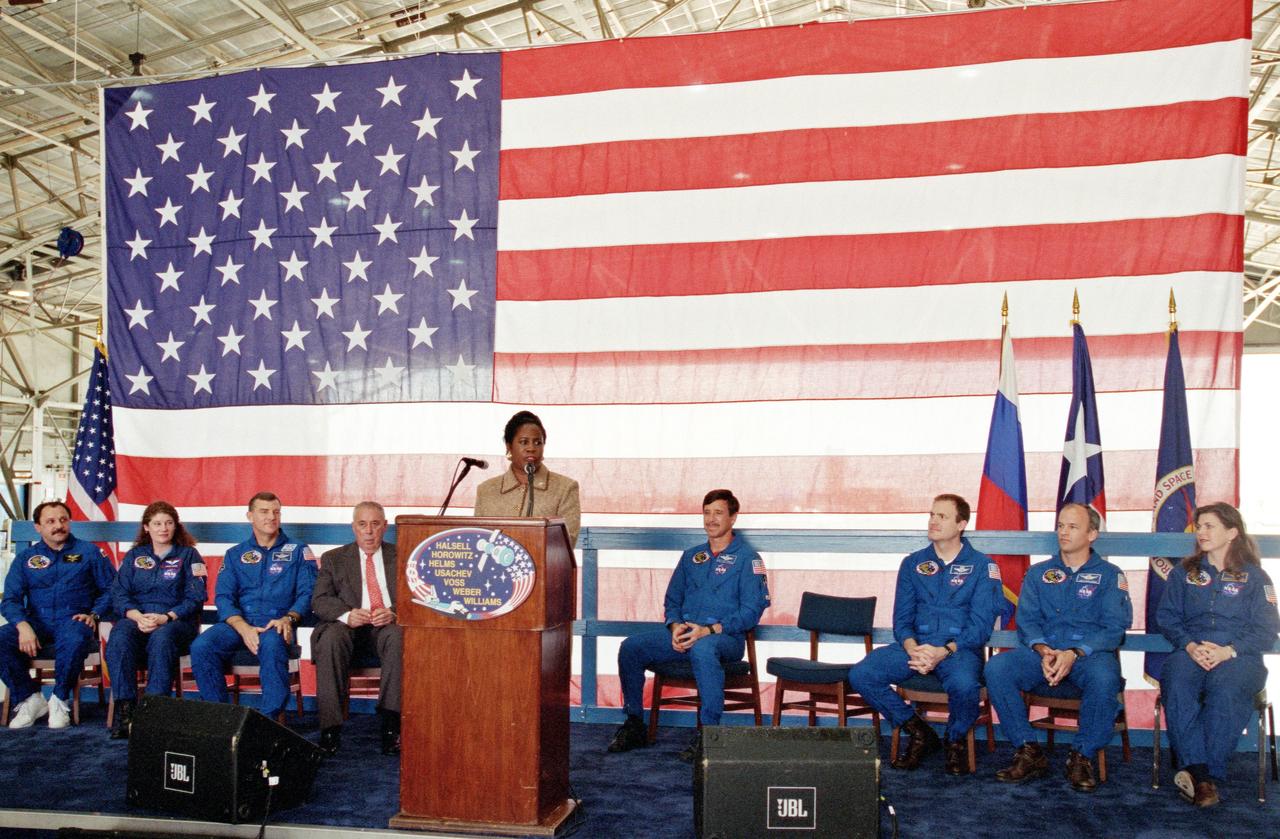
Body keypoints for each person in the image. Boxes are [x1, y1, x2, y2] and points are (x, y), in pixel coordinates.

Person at [607, 489, 770, 762]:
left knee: (703, 650)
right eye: (706, 513)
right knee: (631, 647)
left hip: (724, 638)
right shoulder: (692, 556)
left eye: (718, 513)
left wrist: (709, 630)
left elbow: (752, 611)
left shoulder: (749, 559)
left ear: (733, 518)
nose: (711, 519)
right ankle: (634, 722)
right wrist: (674, 627)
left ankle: (709, 734)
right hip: (684, 635)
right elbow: (672, 600)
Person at [847, 494, 1001, 775]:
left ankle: (955, 741)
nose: (933, 521)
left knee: (965, 686)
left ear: (961, 524)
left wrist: (944, 651)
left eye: (942, 516)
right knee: (862, 674)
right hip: (915, 649)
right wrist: (912, 648)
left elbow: (980, 626)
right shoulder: (913, 563)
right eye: (931, 514)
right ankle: (918, 731)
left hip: (958, 651)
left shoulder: (982, 567)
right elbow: (901, 619)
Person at [984, 502, 1132, 792]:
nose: (1063, 532)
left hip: (1088, 656)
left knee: (1105, 678)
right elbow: (1027, 621)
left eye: (1073, 527)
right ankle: (1028, 750)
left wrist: (1075, 653)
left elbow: (1114, 629)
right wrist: (1043, 650)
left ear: (1092, 534)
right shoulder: (1039, 573)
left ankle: (1082, 755)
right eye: (1060, 525)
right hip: (1044, 654)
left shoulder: (1111, 575)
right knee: (997, 668)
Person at [1156, 502, 1280, 807]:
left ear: (1232, 532)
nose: (1201, 531)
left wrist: (1228, 651)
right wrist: (1190, 646)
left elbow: (1266, 628)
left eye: (1210, 526)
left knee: (1225, 688)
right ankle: (1202, 775)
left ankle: (1204, 773)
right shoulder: (1183, 573)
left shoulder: (1256, 577)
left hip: (1239, 656)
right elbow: (1167, 617)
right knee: (1177, 678)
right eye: (1199, 526)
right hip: (1191, 650)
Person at [191, 492, 316, 721]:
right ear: (250, 516)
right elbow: (223, 597)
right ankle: (221, 718)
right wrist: (242, 627)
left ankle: (267, 721)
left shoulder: (299, 552)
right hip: (238, 623)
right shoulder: (235, 554)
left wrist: (289, 618)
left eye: (276, 512)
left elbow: (308, 593)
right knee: (202, 646)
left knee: (270, 644)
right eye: (264, 511)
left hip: (276, 623)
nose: (271, 517)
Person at [1, 500, 115, 730]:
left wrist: (94, 614)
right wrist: (22, 625)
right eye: (50, 521)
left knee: (74, 638)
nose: (58, 526)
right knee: (1, 639)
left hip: (74, 620)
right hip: (36, 623)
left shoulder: (90, 552)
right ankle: (30, 698)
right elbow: (11, 599)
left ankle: (59, 700)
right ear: (38, 527)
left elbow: (112, 590)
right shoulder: (26, 559)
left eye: (63, 520)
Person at [104, 501, 207, 739]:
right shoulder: (135, 556)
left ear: (176, 526)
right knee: (119, 636)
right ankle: (126, 711)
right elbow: (118, 594)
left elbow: (196, 596)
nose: (163, 528)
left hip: (175, 621)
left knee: (162, 639)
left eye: (169, 523)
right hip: (137, 619)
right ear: (146, 527)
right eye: (158, 523)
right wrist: (136, 616)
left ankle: (153, 712)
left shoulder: (189, 555)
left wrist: (166, 617)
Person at [311, 501, 402, 756]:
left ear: (385, 527)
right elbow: (320, 600)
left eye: (375, 524)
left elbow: (418, 595)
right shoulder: (334, 558)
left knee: (398, 636)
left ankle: (391, 726)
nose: (369, 531)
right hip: (348, 628)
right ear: (353, 528)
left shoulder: (402, 555)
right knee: (330, 638)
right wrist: (347, 614)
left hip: (384, 628)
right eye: (363, 525)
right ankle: (330, 729)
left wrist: (394, 611)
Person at [474, 410, 581, 546]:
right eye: (524, 442)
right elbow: (479, 540)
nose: (531, 448)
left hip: (544, 567)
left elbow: (566, 544)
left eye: (538, 443)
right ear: (509, 446)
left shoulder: (565, 488)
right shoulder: (486, 490)